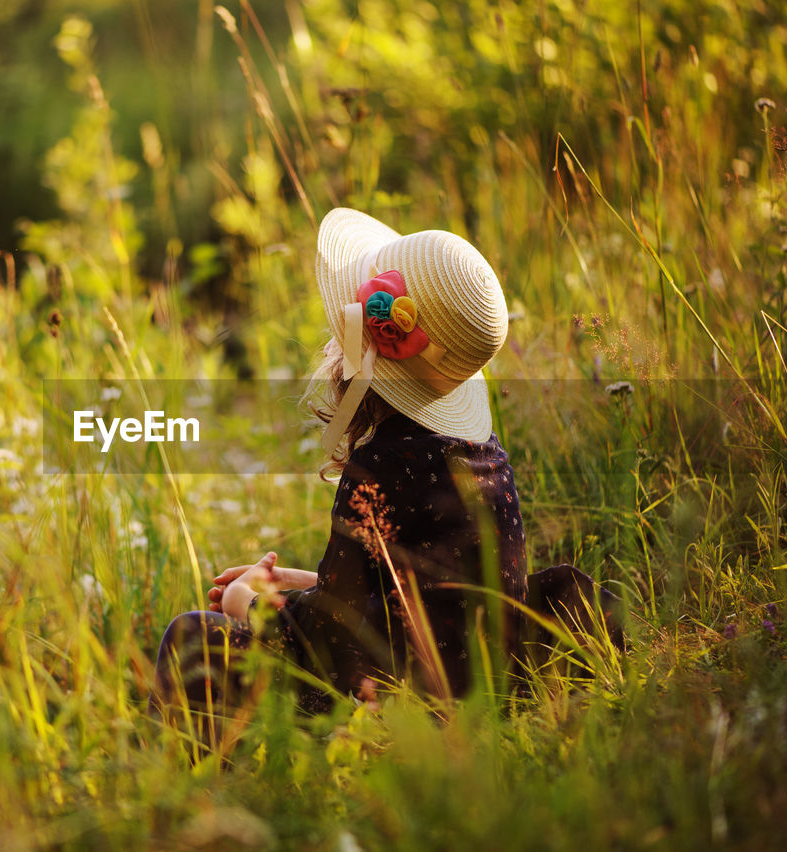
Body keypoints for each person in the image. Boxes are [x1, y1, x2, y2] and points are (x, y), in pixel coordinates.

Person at [152, 208, 528, 721]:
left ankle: (187, 783)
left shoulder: (383, 465)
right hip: (472, 686)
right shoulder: (485, 456)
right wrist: (300, 582)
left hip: (398, 702)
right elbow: (418, 596)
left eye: (340, 331)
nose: (333, 342)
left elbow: (329, 639)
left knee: (192, 636)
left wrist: (246, 605)